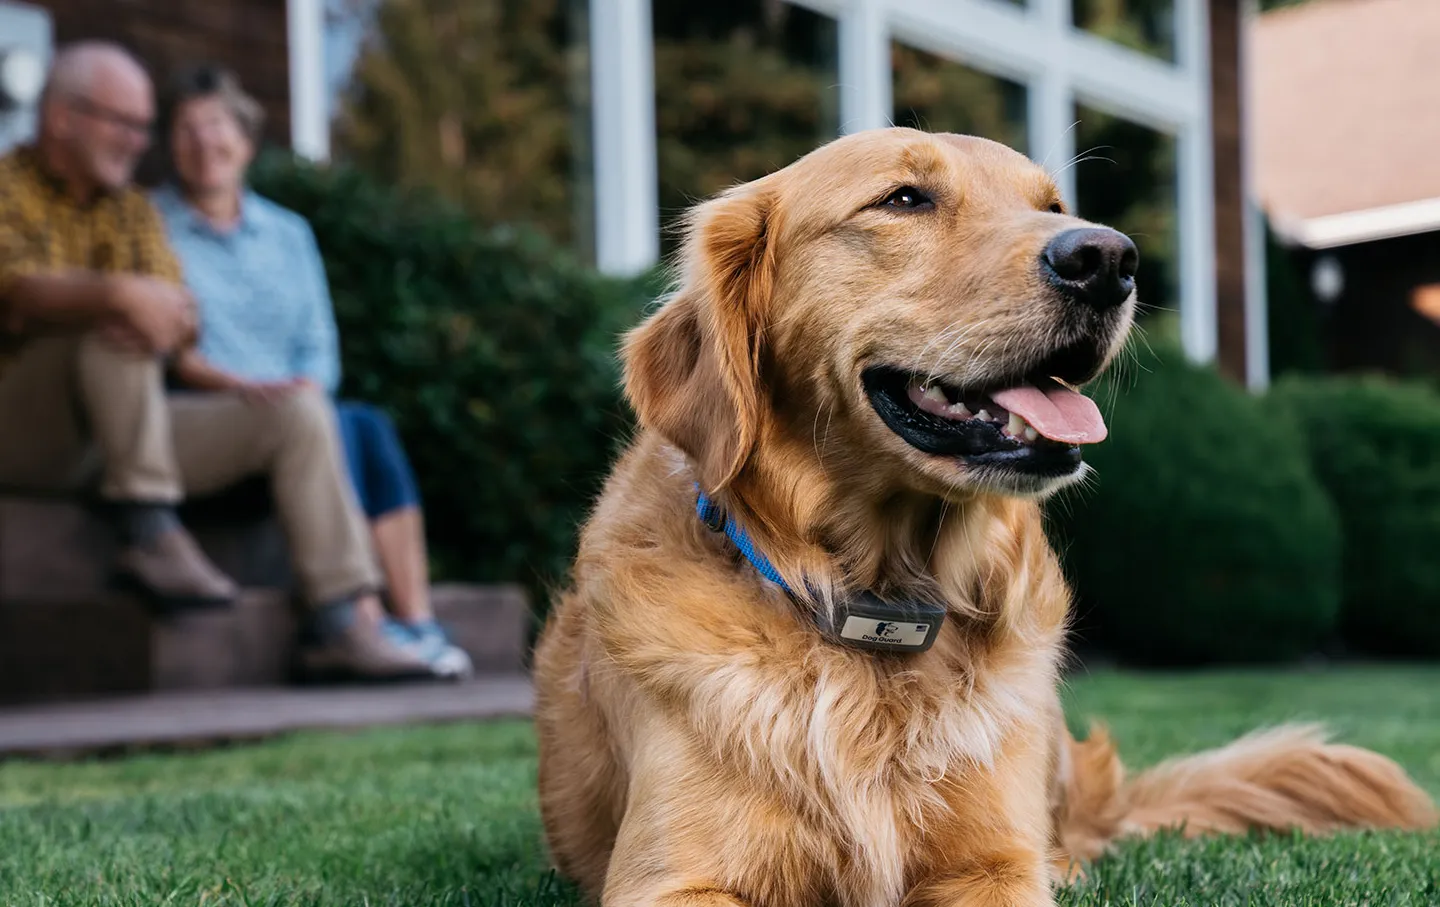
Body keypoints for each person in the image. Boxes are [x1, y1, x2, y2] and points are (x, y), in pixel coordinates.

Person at [0, 41, 461, 682]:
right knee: (111, 320)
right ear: (61, 116)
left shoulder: (130, 209)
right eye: (126, 124)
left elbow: (178, 319)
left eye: (142, 126)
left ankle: (343, 622)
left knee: (301, 413)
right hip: (25, 431)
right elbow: (15, 288)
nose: (142, 142)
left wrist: (166, 318)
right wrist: (118, 294)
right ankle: (149, 528)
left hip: (120, 436)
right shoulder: (8, 187)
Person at [147, 64, 469, 677]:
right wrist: (248, 389)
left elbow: (318, 342)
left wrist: (304, 388)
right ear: (170, 144)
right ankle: (366, 621)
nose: (202, 142)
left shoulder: (287, 234)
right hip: (214, 407)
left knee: (365, 425)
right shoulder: (152, 226)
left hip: (297, 402)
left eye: (215, 126)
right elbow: (172, 351)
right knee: (316, 419)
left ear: (244, 138)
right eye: (185, 129)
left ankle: (416, 620)